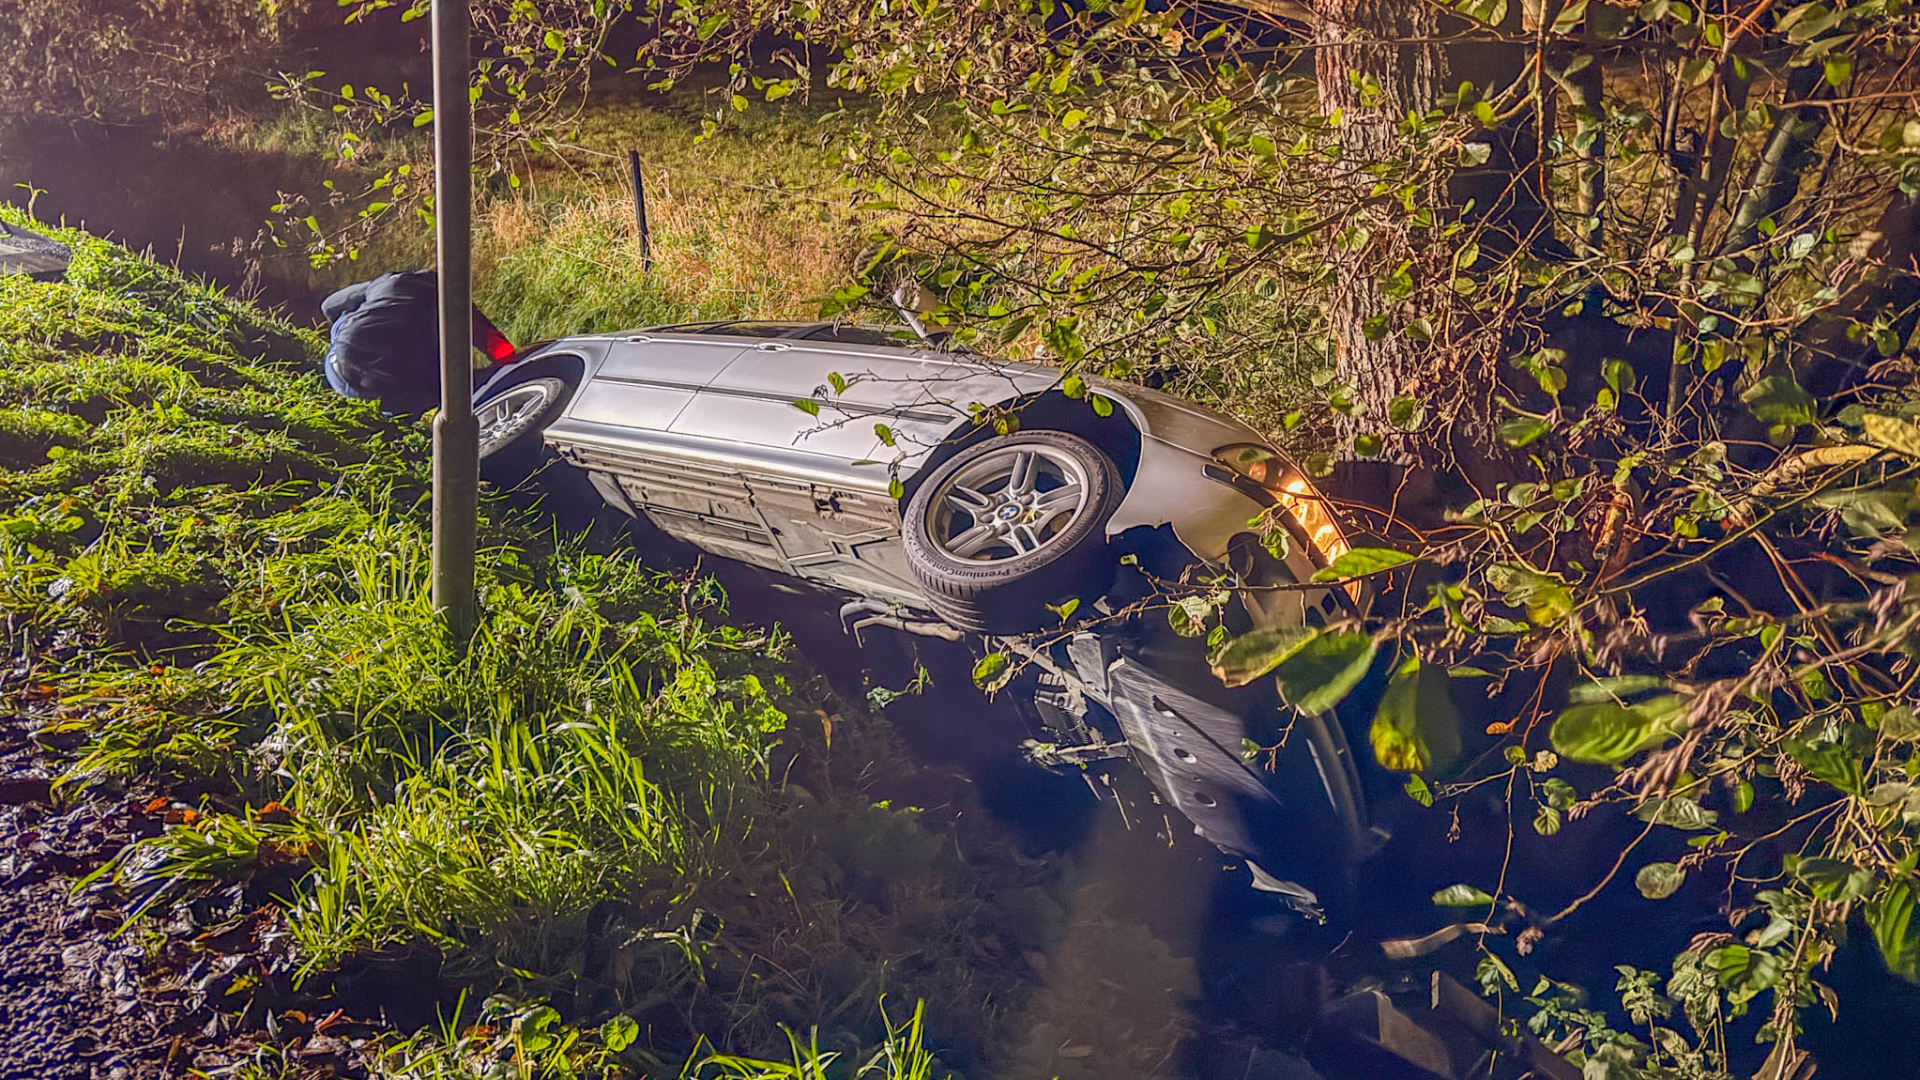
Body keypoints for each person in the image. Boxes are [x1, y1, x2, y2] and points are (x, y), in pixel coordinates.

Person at [320, 270, 515, 413]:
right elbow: (500, 349)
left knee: (346, 317)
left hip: (344, 368)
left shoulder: (388, 282)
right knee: (448, 382)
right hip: (415, 387)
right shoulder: (461, 308)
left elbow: (329, 307)